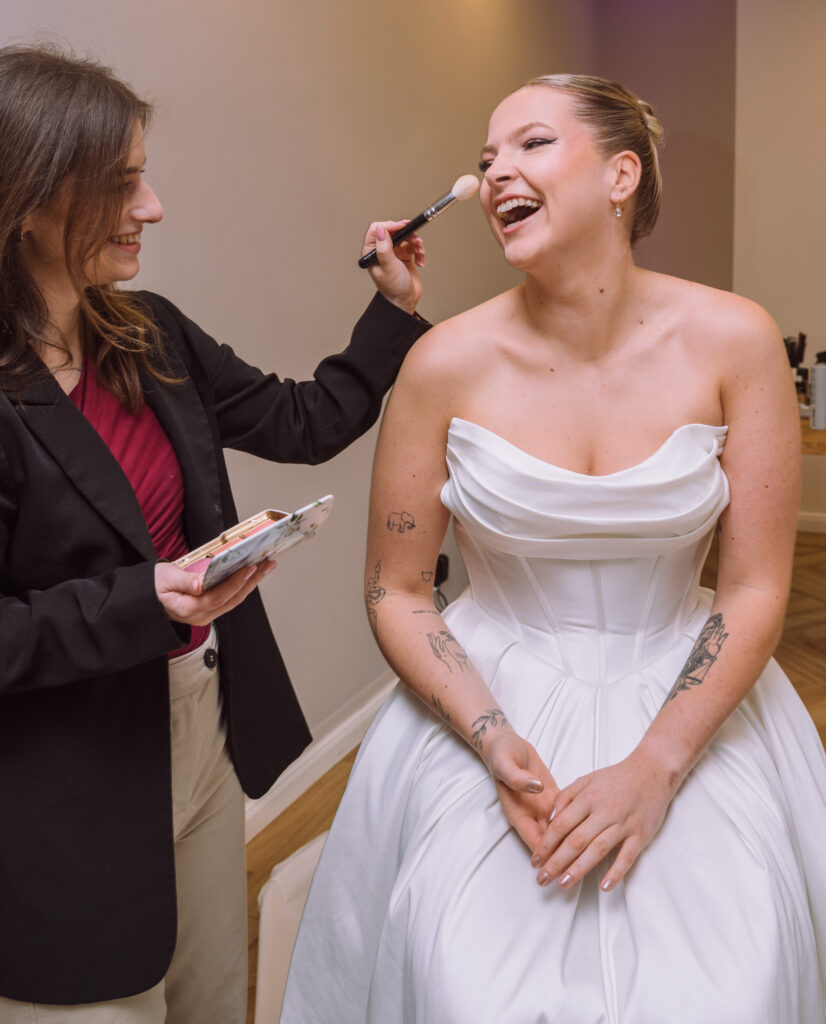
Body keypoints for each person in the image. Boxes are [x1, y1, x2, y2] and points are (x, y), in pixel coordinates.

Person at [280, 74, 826, 1023]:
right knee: (466, 977)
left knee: (732, 975)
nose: (493, 174)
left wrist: (656, 766)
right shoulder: (440, 362)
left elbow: (753, 588)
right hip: (489, 695)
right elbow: (398, 590)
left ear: (623, 175)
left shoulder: (735, 342)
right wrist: (492, 740)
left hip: (685, 691)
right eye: (487, 157)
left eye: (529, 145)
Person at [0, 44, 430, 1024]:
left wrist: (392, 307)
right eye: (121, 185)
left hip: (198, 725)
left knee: (208, 994)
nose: (151, 208)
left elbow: (301, 420)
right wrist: (138, 600)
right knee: (104, 996)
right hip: (60, 777)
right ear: (27, 201)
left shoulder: (146, 332)